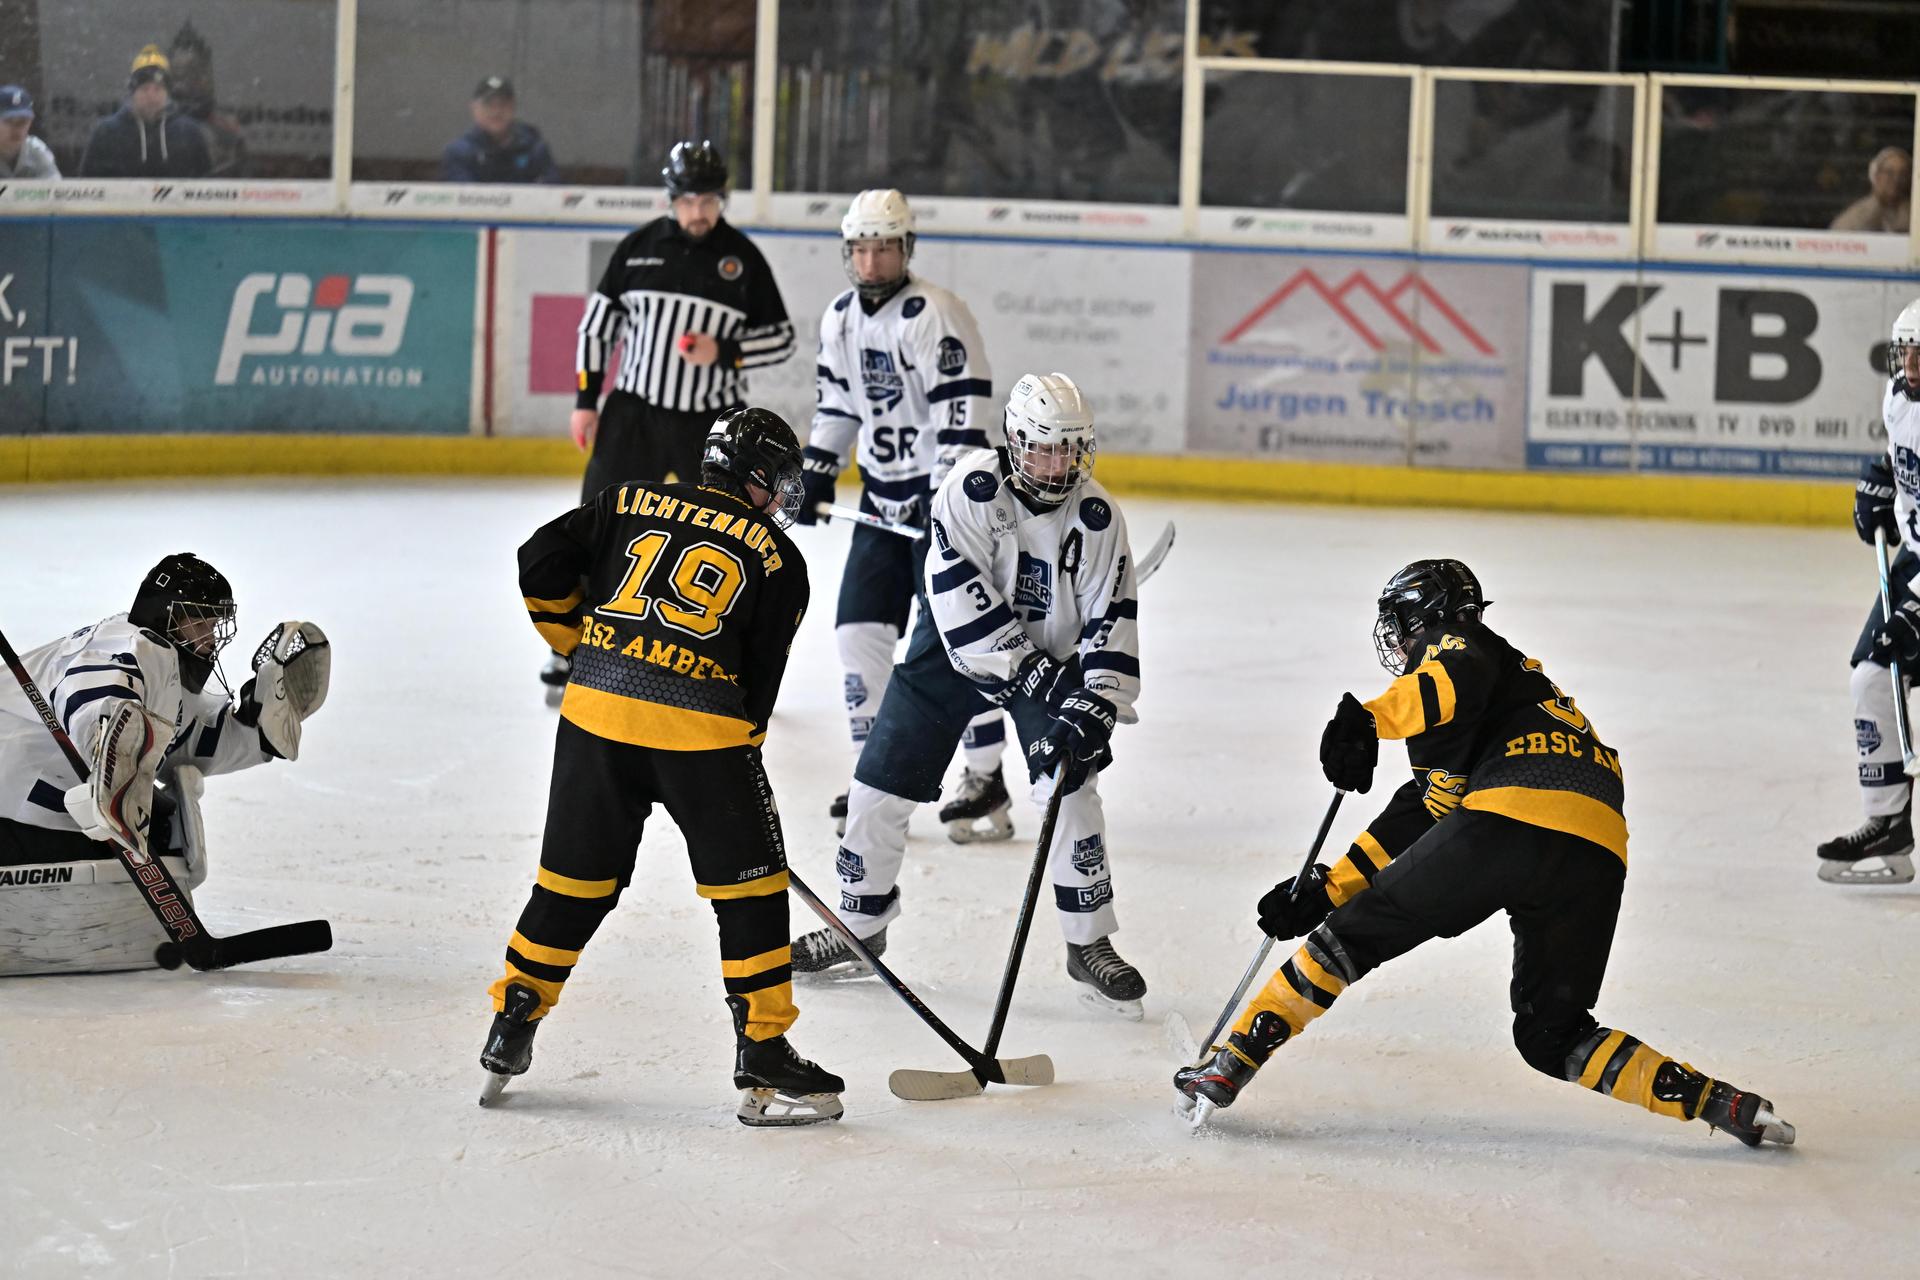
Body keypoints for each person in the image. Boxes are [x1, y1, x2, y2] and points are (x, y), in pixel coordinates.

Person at [1173, 560, 1794, 1148]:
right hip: (1596, 845)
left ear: (1425, 620)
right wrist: (1324, 888)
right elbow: (1417, 819)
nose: (1395, 642)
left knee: (1350, 941)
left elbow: (1452, 678)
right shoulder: (1495, 709)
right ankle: (1719, 1103)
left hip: (1512, 812)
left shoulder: (1462, 644)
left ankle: (1232, 1062)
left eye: (1399, 626)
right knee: (1554, 1037)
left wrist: (1368, 719)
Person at [480, 407, 844, 1127]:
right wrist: (732, 802)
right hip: (703, 734)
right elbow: (755, 693)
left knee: (571, 885)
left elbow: (537, 561)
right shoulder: (777, 557)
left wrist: (581, 645)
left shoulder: (628, 498)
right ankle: (763, 1050)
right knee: (752, 890)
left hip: (594, 719)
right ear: (760, 477)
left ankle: (513, 1017)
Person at [789, 373, 1151, 1018]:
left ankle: (1088, 941)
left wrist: (1096, 701)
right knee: (879, 782)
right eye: (1043, 448)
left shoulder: (1099, 518)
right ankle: (856, 925)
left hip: (1053, 661)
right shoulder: (970, 489)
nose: (1057, 464)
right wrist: (1034, 674)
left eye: (1069, 450)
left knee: (1072, 783)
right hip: (952, 652)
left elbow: (1111, 617)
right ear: (1013, 441)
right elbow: (959, 601)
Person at [797, 189, 1011, 840]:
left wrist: (944, 501)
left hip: (938, 507)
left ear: (905, 248)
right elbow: (838, 406)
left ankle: (985, 776)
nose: (871, 261)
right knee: (858, 636)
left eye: (883, 248)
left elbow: (962, 415)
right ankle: (875, 768)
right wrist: (815, 467)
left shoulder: (934, 314)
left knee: (956, 641)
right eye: (861, 249)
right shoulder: (839, 318)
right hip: (881, 502)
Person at [0, 554, 330, 976]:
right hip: (12, 794)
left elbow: (186, 742)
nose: (210, 636)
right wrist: (107, 741)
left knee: (167, 825)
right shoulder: (128, 645)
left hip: (38, 800)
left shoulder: (167, 671)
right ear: (167, 616)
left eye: (214, 624)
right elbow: (94, 691)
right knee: (150, 824)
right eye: (198, 622)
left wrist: (255, 731)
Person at [546, 141, 795, 698]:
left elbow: (781, 338)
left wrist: (725, 352)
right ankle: (573, 648)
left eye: (708, 200)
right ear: (671, 199)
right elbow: (596, 328)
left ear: (722, 200)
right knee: (600, 522)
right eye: (687, 200)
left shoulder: (743, 259)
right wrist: (587, 400)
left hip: (713, 428)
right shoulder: (637, 249)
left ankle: (715, 650)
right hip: (632, 412)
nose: (697, 211)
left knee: (720, 535)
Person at [1819, 298, 1920, 885]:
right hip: (1914, 558)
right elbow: (1900, 453)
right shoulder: (1899, 396)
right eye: (1904, 352)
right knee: (1872, 677)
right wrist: (1880, 480)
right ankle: (1887, 821)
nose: (1910, 365)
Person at [77, 45, 211, 179]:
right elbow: (87, 187)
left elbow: (207, 188)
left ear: (167, 94)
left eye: (158, 89)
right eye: (144, 89)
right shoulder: (106, 133)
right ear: (133, 93)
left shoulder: (189, 133)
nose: (151, 96)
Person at [441, 76, 560, 185]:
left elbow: (551, 189)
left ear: (513, 107)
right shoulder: (458, 153)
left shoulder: (534, 148)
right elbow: (462, 196)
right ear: (474, 109)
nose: (496, 111)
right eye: (488, 105)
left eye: (503, 104)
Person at [1831, 147, 1911, 234]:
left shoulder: (1913, 213)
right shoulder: (1857, 214)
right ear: (1876, 175)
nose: (1896, 179)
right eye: (1889, 173)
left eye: (1902, 174)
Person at [0, 87, 59, 179]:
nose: (16, 129)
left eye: (23, 122)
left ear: (30, 122)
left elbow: (54, 189)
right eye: (9, 121)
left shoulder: (36, 151)